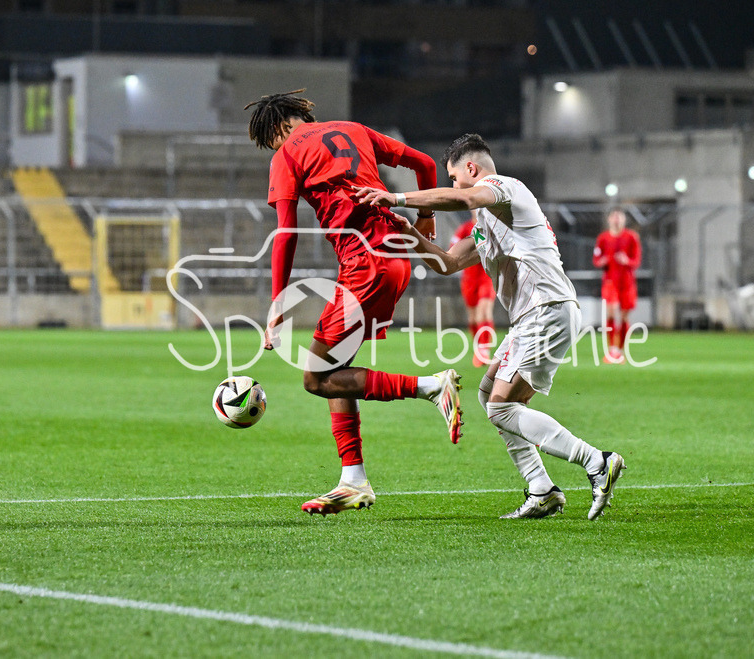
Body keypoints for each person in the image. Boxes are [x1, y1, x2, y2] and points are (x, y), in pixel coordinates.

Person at [356, 133, 625, 521]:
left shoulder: (502, 188)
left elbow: (464, 197)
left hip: (546, 309)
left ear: (471, 168)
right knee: (489, 397)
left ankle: (596, 461)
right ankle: (541, 489)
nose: (451, 185)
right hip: (531, 317)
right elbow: (446, 263)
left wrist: (398, 197)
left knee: (502, 407)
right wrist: (408, 231)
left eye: (452, 177)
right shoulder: (485, 220)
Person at [245, 89, 463, 516]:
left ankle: (432, 387)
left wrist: (277, 304)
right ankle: (353, 480)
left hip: (366, 263)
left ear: (277, 128)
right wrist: (426, 216)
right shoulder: (354, 129)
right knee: (334, 370)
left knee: (315, 378)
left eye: (270, 140)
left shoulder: (286, 154)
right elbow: (425, 163)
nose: (274, 147)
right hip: (395, 256)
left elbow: (286, 232)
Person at [593, 207, 641, 364]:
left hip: (627, 282)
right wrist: (602, 261)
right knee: (612, 312)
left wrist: (627, 260)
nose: (616, 219)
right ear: (609, 220)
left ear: (624, 220)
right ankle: (612, 350)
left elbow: (636, 260)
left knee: (625, 316)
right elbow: (596, 259)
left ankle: (620, 351)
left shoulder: (632, 237)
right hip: (610, 282)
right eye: (614, 216)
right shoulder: (603, 238)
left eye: (619, 217)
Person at [450, 213, 497, 368]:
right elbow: (453, 248)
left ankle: (485, 349)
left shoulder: (489, 227)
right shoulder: (465, 229)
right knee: (472, 316)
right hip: (469, 276)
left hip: (486, 274)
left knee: (484, 309)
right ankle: (478, 347)